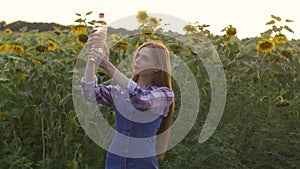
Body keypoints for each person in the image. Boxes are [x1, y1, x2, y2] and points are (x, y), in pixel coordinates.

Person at [81, 32, 175, 169]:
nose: (137, 60)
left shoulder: (164, 95)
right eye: (138, 56)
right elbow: (89, 93)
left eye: (145, 58)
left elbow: (141, 100)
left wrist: (108, 66)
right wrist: (92, 59)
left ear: (157, 67)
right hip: (114, 163)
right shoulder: (121, 91)